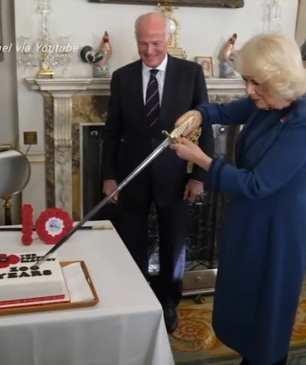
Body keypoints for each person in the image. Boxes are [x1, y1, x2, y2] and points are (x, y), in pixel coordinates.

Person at [170, 33, 306, 364]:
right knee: (243, 300)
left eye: (256, 83)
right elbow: (223, 112)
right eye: (246, 81)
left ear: (281, 78)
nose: (249, 91)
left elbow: (257, 184)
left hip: (279, 229)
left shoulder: (305, 120)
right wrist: (198, 114)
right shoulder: (266, 102)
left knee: (267, 312)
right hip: (249, 218)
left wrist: (200, 158)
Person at [100, 11, 212, 334]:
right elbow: (111, 132)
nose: (149, 50)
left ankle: (168, 303)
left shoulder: (191, 74)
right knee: (131, 240)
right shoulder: (121, 77)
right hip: (131, 176)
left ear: (169, 40)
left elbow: (205, 126)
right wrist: (109, 176)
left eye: (156, 43)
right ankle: (135, 300)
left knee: (173, 243)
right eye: (143, 43)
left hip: (175, 177)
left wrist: (199, 176)